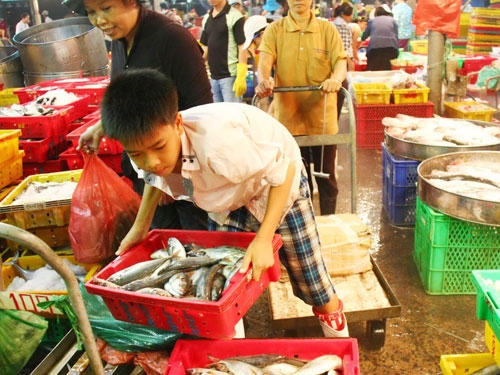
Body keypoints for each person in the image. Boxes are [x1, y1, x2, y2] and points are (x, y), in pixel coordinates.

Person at [100, 68, 350, 338]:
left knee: (311, 279)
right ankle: (229, 347)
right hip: (228, 193)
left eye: (160, 147)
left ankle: (339, 336)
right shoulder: (150, 149)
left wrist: (264, 238)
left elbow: (284, 170)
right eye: (137, 154)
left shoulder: (219, 147)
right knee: (225, 281)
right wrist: (141, 227)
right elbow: (151, 175)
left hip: (276, 182)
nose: (152, 161)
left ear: (178, 124)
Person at [74, 0, 213, 231]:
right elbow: (134, 101)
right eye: (91, 12)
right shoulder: (120, 40)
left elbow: (202, 112)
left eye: (106, 8)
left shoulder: (172, 38)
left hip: (182, 171)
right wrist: (101, 126)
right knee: (164, 244)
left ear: (131, 2)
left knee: (195, 244)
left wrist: (168, 179)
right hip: (147, 170)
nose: (100, 20)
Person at [256, 0, 348, 216]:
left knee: (327, 180)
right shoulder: (275, 30)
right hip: (288, 120)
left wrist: (336, 78)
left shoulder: (327, 29)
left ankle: (329, 223)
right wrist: (264, 80)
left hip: (323, 120)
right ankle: (305, 230)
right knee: (296, 182)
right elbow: (265, 63)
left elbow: (340, 62)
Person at [200, 0, 247, 102]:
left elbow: (242, 46)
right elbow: (205, 47)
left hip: (230, 76)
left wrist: (241, 75)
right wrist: (198, 65)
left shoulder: (235, 16)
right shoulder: (206, 19)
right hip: (213, 77)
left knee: (232, 115)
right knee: (217, 116)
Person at [333, 2, 355, 119]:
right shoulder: (344, 26)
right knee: (341, 89)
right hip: (341, 62)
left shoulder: (332, 24)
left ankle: (333, 117)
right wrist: (350, 63)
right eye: (351, 14)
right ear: (346, 14)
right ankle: (335, 118)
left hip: (332, 62)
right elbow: (344, 48)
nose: (352, 17)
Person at [361, 4, 398, 71]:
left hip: (374, 49)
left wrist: (361, 40)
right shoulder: (393, 20)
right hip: (391, 49)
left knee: (372, 71)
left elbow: (364, 36)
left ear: (376, 14)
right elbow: (396, 36)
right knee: (389, 71)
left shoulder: (372, 21)